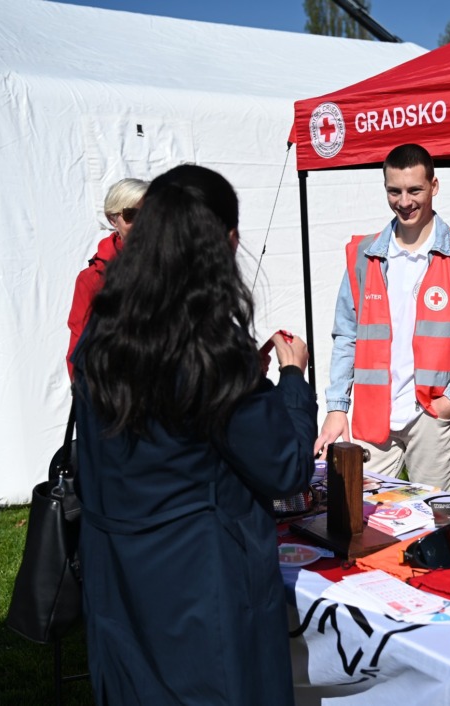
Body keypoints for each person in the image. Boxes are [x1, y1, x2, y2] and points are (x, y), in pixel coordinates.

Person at [72, 164, 316, 705]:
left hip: (122, 575)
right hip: (200, 588)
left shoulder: (105, 327)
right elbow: (287, 467)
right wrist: (292, 379)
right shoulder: (205, 344)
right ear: (225, 241)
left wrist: (243, 389)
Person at [313, 144, 450, 492]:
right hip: (374, 414)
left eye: (414, 190)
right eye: (394, 191)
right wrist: (338, 407)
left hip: (433, 415)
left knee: (434, 524)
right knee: (361, 517)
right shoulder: (363, 254)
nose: (404, 201)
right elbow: (346, 336)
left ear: (434, 186)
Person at [65, 177, 148, 377]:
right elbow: (79, 351)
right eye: (131, 215)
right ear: (113, 219)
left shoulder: (174, 265)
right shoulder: (92, 279)